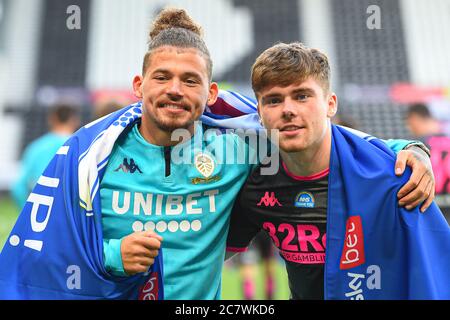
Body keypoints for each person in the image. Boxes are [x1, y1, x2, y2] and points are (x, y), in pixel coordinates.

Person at [0, 8, 437, 300]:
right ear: (139, 86)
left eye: (190, 80)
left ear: (210, 94)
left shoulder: (240, 145)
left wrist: (412, 150)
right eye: (162, 77)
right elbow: (48, 253)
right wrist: (112, 256)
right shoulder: (89, 155)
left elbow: (329, 140)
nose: (174, 89)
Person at [226, 42, 450, 299]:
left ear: (330, 104)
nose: (288, 109)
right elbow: (209, 254)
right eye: (274, 100)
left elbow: (434, 273)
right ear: (260, 112)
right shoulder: (258, 183)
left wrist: (418, 150)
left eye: (302, 96)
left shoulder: (394, 179)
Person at [11, 104, 80, 208]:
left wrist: (26, 212)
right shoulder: (82, 148)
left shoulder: (36, 147)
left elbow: (19, 188)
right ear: (74, 120)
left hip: (41, 208)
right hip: (69, 210)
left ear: (52, 119)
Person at [406, 103, 450, 221]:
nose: (410, 128)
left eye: (410, 124)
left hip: (428, 209)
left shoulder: (416, 145)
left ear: (415, 119)